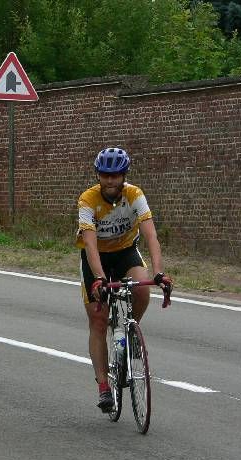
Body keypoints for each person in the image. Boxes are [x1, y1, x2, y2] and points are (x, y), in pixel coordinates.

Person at [76, 147, 172, 413]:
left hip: (126, 252)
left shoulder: (135, 195)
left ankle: (129, 332)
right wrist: (98, 278)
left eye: (115, 176)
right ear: (98, 175)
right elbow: (90, 243)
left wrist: (159, 272)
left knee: (142, 290)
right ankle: (104, 386)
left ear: (123, 176)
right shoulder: (87, 200)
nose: (110, 181)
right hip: (97, 257)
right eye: (105, 175)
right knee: (98, 318)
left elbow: (151, 235)